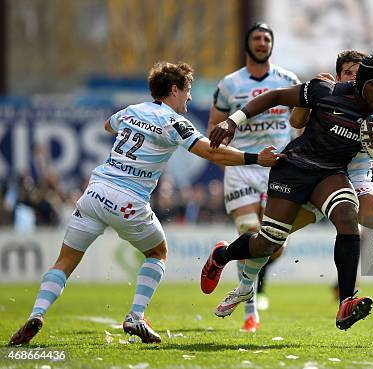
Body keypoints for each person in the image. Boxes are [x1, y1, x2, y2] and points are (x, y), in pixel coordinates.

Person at [8, 61, 280, 346]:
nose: (189, 96)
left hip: (95, 192)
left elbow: (107, 124)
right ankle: (136, 315)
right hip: (128, 200)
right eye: (187, 90)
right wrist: (255, 158)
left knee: (64, 261)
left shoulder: (133, 109)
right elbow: (213, 154)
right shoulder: (175, 122)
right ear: (174, 90)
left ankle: (37, 313)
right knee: (158, 253)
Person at [202, 55, 373, 330]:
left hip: (331, 174)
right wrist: (233, 122)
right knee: (268, 242)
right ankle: (222, 257)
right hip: (294, 168)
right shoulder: (324, 90)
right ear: (348, 78)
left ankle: (346, 302)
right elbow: (280, 99)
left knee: (347, 216)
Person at [207, 22, 300, 332]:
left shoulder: (288, 80)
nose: (262, 43)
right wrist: (228, 155)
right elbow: (215, 130)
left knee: (275, 244)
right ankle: (250, 312)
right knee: (250, 230)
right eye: (257, 38)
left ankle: (229, 256)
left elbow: (299, 123)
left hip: (278, 169)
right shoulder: (229, 84)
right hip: (242, 169)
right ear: (248, 44)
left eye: (267, 38)